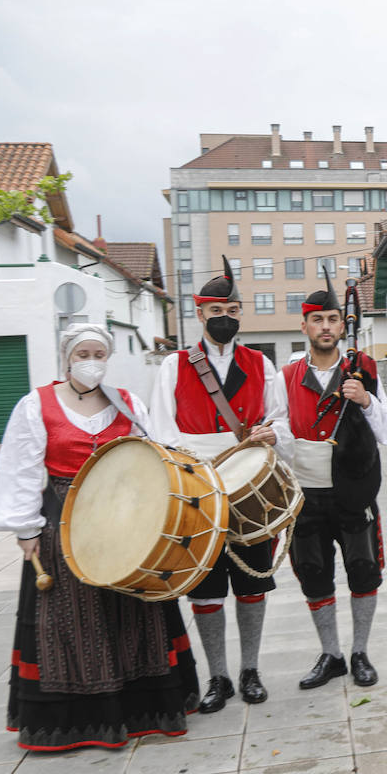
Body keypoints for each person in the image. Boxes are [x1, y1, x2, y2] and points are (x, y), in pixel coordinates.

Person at [0, 324, 200, 750]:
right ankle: (79, 719)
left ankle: (141, 709)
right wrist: (26, 528)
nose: (91, 361)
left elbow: (154, 454)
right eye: (83, 354)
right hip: (63, 521)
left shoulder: (127, 402)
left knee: (134, 608)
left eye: (99, 354)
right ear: (67, 358)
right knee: (69, 616)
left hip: (124, 519)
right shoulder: (36, 404)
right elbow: (21, 468)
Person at [149, 257, 290, 713]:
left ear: (240, 313)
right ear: (199, 313)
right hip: (198, 491)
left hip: (249, 490)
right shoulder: (174, 365)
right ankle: (218, 677)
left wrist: (272, 433)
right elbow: (161, 431)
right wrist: (198, 462)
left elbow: (280, 420)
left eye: (232, 310)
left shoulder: (260, 363)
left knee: (251, 586)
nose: (224, 318)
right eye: (215, 311)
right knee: (206, 589)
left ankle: (250, 670)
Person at [281, 285, 387, 690]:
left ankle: (360, 652)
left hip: (354, 490)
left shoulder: (363, 369)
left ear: (341, 325)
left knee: (364, 572)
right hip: (306, 494)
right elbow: (279, 429)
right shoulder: (286, 376)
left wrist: (366, 401)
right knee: (314, 575)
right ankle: (331, 654)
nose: (326, 326)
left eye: (332, 319)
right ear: (305, 326)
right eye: (318, 320)